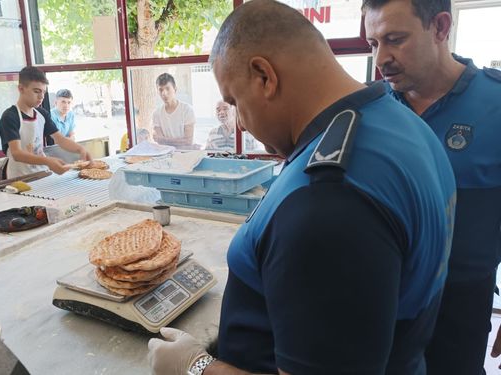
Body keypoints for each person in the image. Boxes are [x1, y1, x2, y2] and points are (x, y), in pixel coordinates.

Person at [148, 1, 456, 374]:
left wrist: (194, 367)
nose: (241, 124)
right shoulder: (402, 125)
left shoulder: (327, 202)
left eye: (234, 101)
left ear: (264, 76)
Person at [363, 1, 501, 373]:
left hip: (460, 308)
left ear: (440, 27)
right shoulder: (368, 111)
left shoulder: (497, 104)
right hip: (380, 305)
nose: (382, 58)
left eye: (395, 39)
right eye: (373, 43)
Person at [0, 67, 91, 179]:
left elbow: (60, 139)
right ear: (21, 89)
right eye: (36, 91)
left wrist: (80, 149)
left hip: (42, 174)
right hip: (20, 178)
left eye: (43, 92)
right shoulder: (10, 116)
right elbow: (17, 154)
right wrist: (48, 161)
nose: (41, 96)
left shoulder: (41, 114)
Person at [152, 73, 196, 148]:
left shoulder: (187, 110)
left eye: (167, 88)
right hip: (165, 154)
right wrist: (178, 141)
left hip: (185, 154)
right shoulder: (156, 113)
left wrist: (164, 140)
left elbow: (188, 141)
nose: (164, 93)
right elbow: (159, 141)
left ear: (175, 89)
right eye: (161, 90)